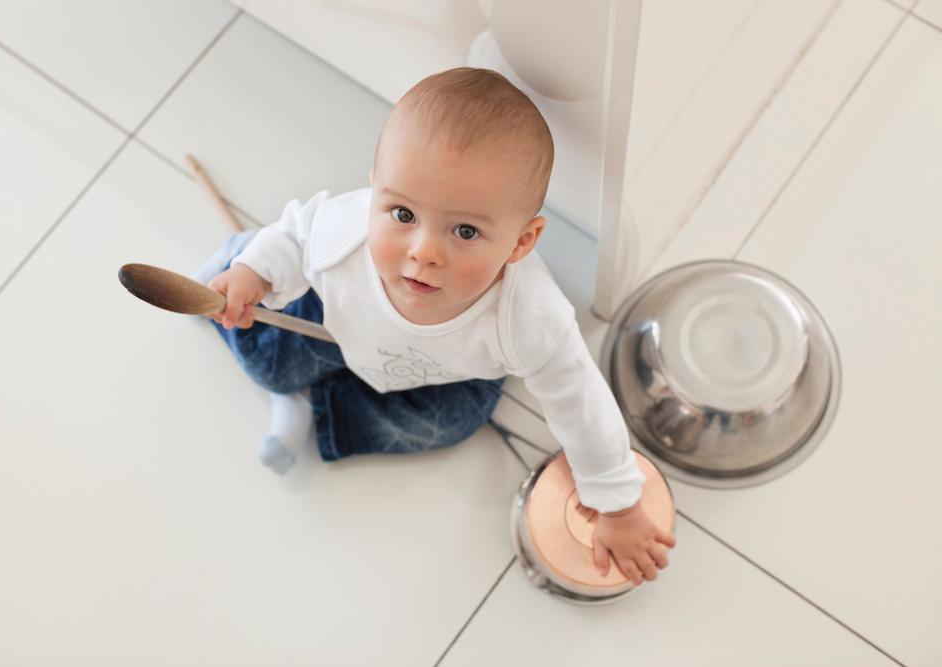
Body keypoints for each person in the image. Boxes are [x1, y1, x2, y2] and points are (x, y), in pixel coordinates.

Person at [194, 67, 675, 586]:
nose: (423, 251)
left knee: (449, 424)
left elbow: (580, 404)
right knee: (266, 353)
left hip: (446, 373)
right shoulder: (345, 231)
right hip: (336, 330)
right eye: (401, 213)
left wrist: (617, 504)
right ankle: (235, 263)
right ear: (375, 190)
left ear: (520, 242)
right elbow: (293, 237)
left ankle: (311, 406)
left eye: (465, 230)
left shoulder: (530, 318)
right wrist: (255, 272)